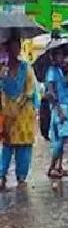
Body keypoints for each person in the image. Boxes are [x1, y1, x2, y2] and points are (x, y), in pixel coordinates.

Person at [0, 36, 37, 189]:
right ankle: (1, 175)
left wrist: (19, 102)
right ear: (7, 49)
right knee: (7, 146)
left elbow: (30, 89)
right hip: (8, 113)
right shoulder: (3, 69)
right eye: (13, 46)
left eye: (18, 46)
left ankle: (21, 177)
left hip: (24, 113)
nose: (16, 49)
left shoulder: (26, 67)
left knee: (24, 147)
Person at [45, 47, 68, 179]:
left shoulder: (61, 71)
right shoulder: (52, 71)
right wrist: (59, 110)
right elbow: (51, 91)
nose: (62, 58)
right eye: (60, 55)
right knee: (61, 139)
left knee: (61, 138)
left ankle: (58, 167)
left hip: (63, 105)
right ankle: (51, 167)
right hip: (59, 107)